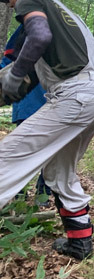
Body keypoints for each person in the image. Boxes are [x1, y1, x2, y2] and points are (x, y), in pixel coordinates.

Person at [0, 0, 94, 261]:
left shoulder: (33, 2)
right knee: (59, 172)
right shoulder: (68, 17)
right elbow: (35, 71)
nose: (10, 3)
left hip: (74, 96)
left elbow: (38, 38)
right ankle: (79, 244)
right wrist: (15, 82)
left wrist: (15, 75)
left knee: (7, 157)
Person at [2, 24, 51, 206]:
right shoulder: (26, 29)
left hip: (50, 102)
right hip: (28, 102)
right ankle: (19, 193)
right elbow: (7, 60)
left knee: (47, 151)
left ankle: (42, 193)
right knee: (21, 151)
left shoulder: (58, 30)